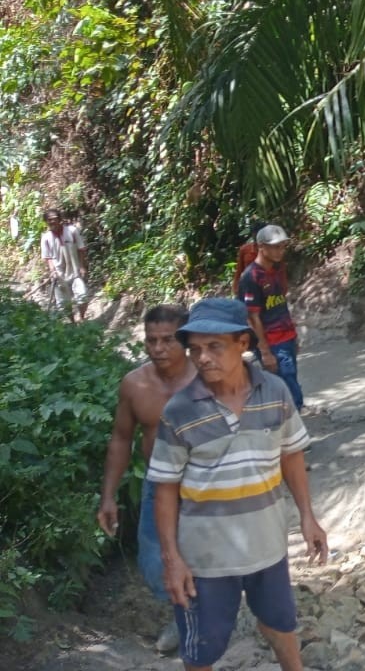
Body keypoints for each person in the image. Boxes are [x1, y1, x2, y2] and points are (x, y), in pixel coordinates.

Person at [148, 298, 327, 671]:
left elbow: (291, 455)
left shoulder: (275, 392)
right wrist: (172, 560)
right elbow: (164, 489)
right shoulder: (180, 411)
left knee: (280, 625)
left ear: (243, 344)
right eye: (195, 349)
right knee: (201, 649)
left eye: (214, 346)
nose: (203, 358)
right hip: (204, 561)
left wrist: (308, 516)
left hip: (268, 547)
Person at [96, 304, 197, 654]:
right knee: (155, 558)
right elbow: (121, 439)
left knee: (209, 553)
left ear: (184, 340)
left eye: (167, 340)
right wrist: (108, 497)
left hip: (206, 484)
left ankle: (206, 620)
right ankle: (182, 615)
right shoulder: (135, 385)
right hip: (159, 483)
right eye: (151, 340)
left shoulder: (207, 377)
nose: (158, 348)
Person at [237, 224, 303, 410]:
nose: (280, 251)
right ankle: (291, 429)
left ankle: (289, 429)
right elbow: (252, 317)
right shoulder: (251, 277)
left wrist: (293, 336)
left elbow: (280, 305)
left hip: (286, 338)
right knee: (288, 389)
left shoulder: (275, 271)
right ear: (261, 247)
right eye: (275, 246)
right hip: (272, 342)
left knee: (289, 383)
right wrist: (265, 351)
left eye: (282, 246)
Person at [41, 207, 90, 322]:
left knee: (83, 297)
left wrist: (82, 266)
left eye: (54, 219)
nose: (52, 222)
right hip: (59, 274)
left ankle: (82, 318)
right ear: (46, 222)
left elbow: (81, 249)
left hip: (75, 271)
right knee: (64, 303)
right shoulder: (46, 238)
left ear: (60, 219)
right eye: (49, 220)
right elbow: (47, 257)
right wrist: (52, 270)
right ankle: (72, 322)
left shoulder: (72, 231)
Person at [233, 219, 268, 285]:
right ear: (252, 234)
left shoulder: (272, 251)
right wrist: (236, 288)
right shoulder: (245, 249)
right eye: (255, 233)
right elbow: (239, 271)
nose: (257, 236)